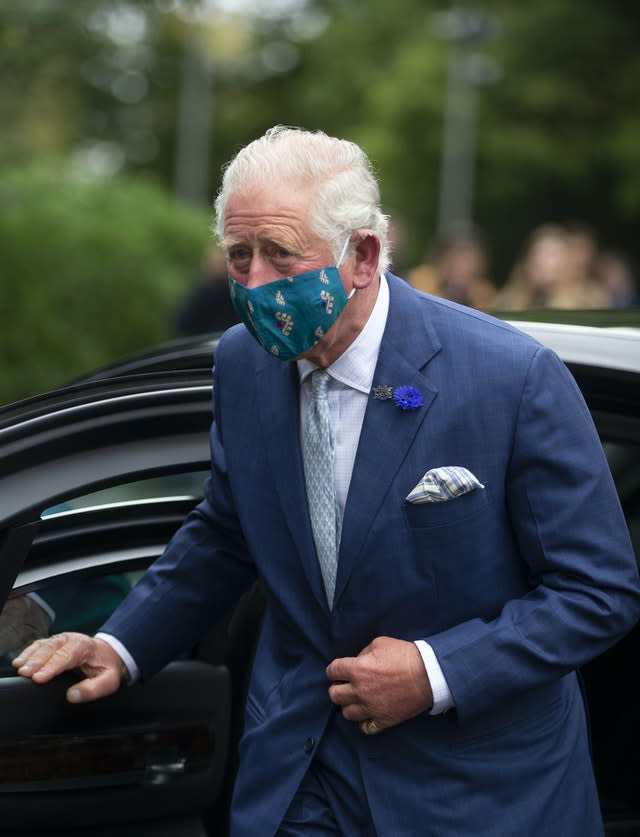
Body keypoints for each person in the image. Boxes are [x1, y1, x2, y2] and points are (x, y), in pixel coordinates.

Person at [13, 126, 640, 837]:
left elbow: (599, 590)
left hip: (477, 794)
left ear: (363, 254)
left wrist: (435, 671)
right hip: (300, 778)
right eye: (238, 256)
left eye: (280, 254)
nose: (253, 285)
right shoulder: (242, 364)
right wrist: (120, 647)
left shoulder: (509, 377)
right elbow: (225, 531)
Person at [496, 223, 610, 310]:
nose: (541, 260)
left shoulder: (588, 300)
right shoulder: (509, 299)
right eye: (537, 253)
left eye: (551, 254)